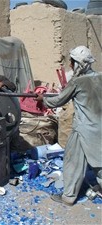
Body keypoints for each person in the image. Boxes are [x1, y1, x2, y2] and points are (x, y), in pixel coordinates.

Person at [35, 46, 102, 206]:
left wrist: (42, 99)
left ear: (78, 64)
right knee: (99, 161)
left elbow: (58, 100)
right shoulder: (100, 77)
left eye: (72, 62)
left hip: (83, 129)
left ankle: (68, 197)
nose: (70, 65)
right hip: (99, 127)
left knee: (73, 161)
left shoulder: (77, 82)